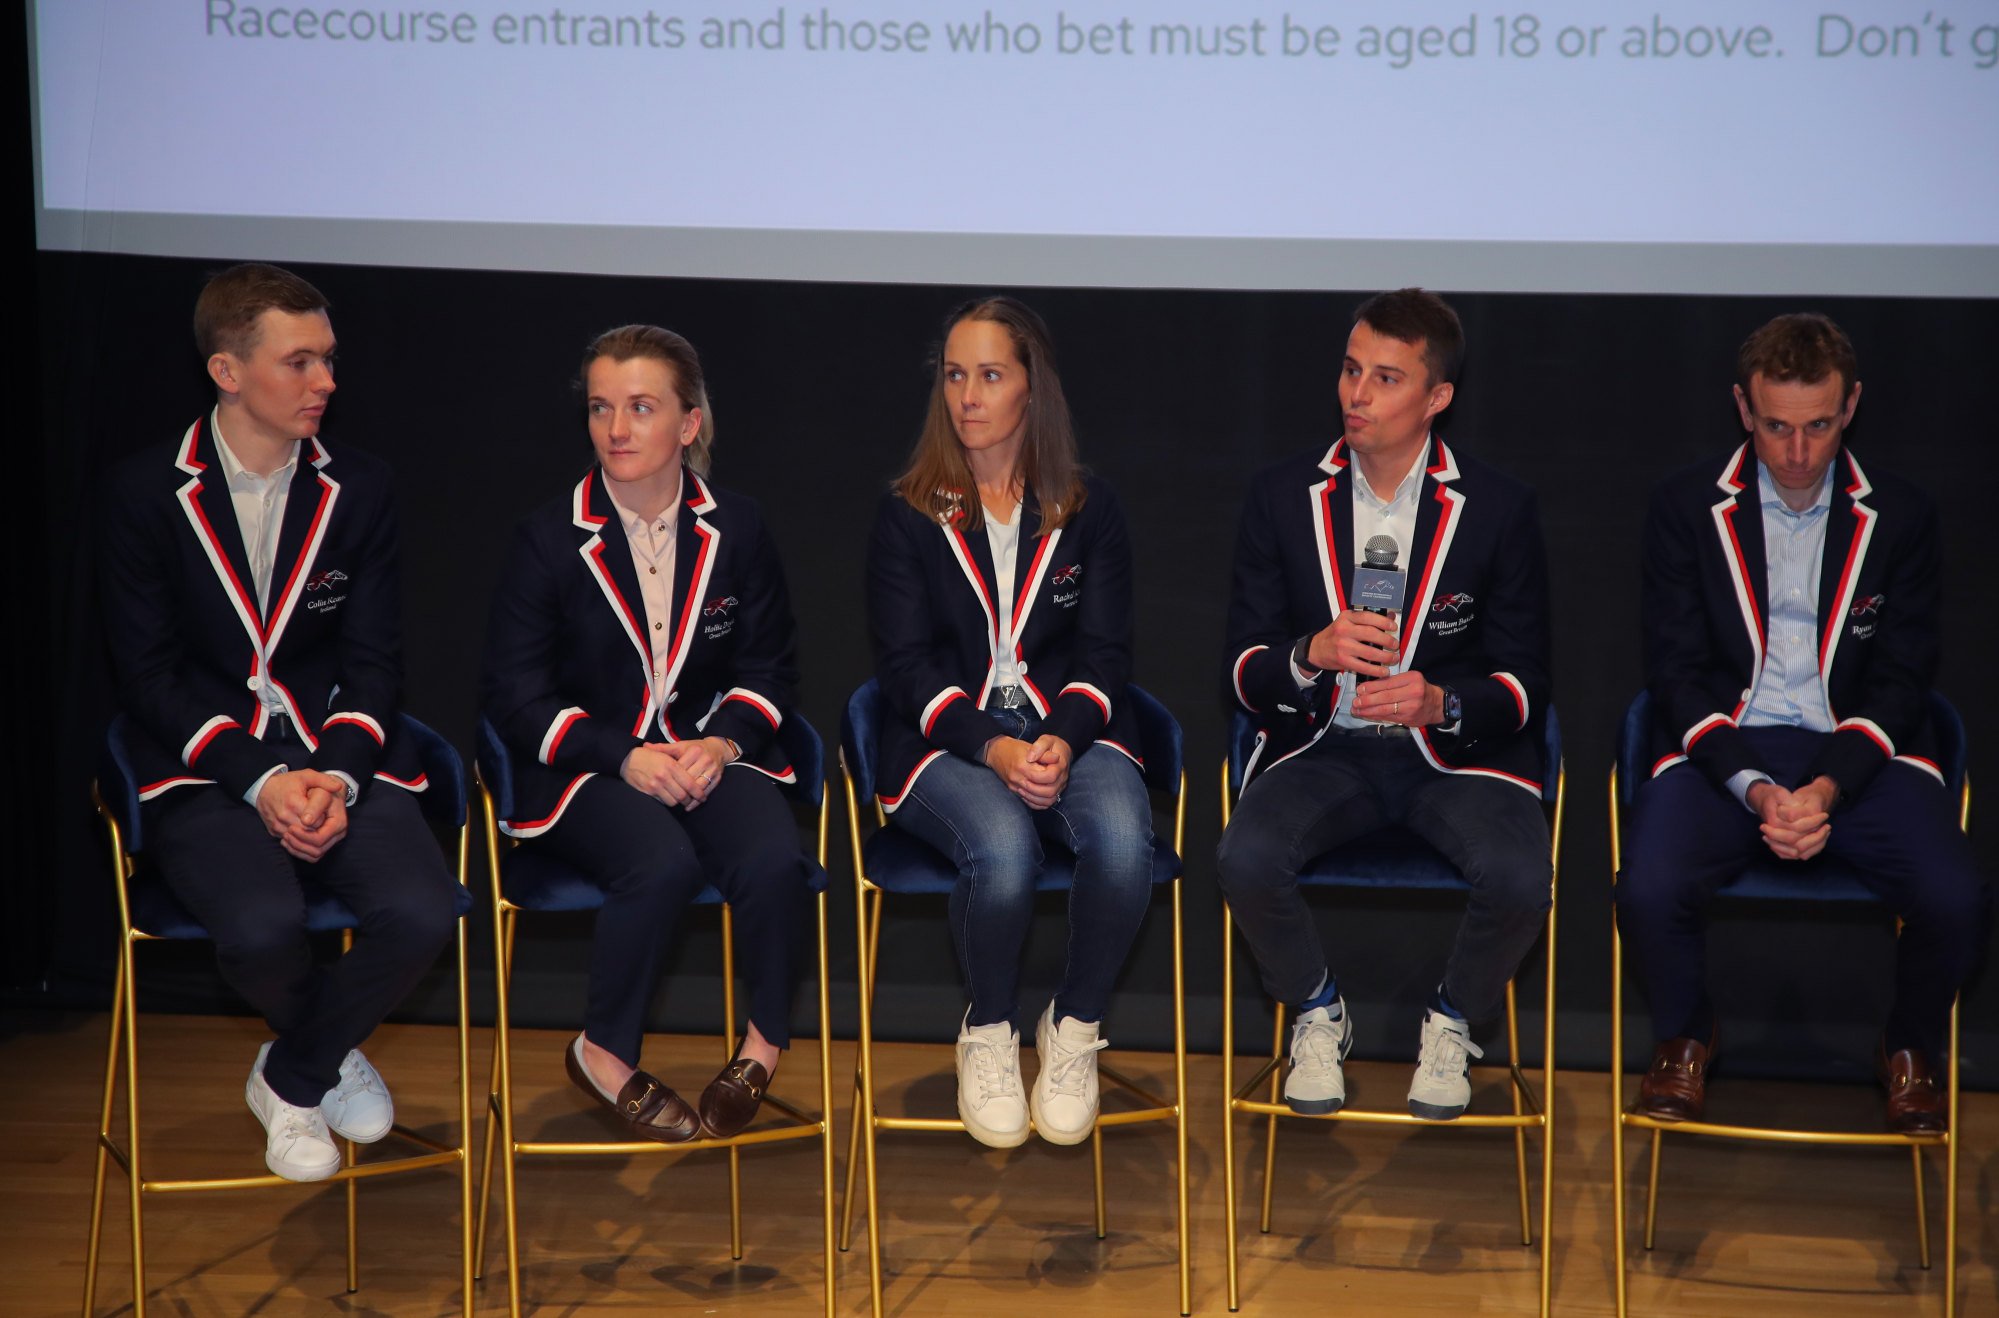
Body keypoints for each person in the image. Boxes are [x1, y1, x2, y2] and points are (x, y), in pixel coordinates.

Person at [100, 263, 457, 1181]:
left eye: (328, 360)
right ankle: (329, 1053)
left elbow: (376, 663)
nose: (325, 382)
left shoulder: (362, 488)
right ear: (227, 371)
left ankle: (292, 1072)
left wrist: (333, 775)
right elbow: (146, 676)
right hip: (207, 767)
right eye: (299, 362)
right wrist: (261, 779)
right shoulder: (143, 494)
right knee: (260, 929)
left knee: (422, 910)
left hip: (339, 754)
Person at [1616, 312, 1985, 1133]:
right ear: (1742, 410)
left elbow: (1901, 679)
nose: (1795, 452)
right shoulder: (1683, 505)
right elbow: (1673, 674)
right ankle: (1684, 1031)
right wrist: (1755, 790)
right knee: (1643, 886)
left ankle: (1911, 1044)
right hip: (1725, 748)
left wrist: (1822, 786)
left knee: (1956, 897)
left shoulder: (1901, 514)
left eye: (1816, 426)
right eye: (1776, 426)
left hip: (1858, 755)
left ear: (1849, 405)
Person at [1215, 288, 1553, 1121]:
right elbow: (1238, 667)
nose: (1355, 395)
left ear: (1437, 397)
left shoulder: (1499, 506)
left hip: (1453, 759)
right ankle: (1315, 1011)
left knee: (1519, 879)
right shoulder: (1281, 494)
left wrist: (1442, 701)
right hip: (1323, 747)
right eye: (1349, 369)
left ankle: (1450, 1021)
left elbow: (1525, 680)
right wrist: (1308, 654)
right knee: (1243, 859)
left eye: (1385, 378)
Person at [482, 324, 813, 1143]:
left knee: (775, 860)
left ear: (689, 423)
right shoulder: (548, 538)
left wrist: (722, 744)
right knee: (658, 862)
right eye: (601, 408)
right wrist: (622, 757)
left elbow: (770, 668)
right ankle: (603, 1052)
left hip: (704, 756)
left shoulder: (738, 525)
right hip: (588, 768)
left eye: (639, 407)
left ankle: (763, 1046)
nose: (616, 430)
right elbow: (514, 697)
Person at [865, 296, 1155, 1149]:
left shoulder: (1085, 507)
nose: (968, 395)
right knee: (1004, 849)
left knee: (1123, 837)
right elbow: (904, 669)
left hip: (1066, 731)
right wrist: (992, 746)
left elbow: (1106, 656)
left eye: (990, 374)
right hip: (943, 741)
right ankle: (988, 1030)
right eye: (954, 375)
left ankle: (1071, 1031)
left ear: (1032, 388)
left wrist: (1060, 738)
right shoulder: (906, 513)